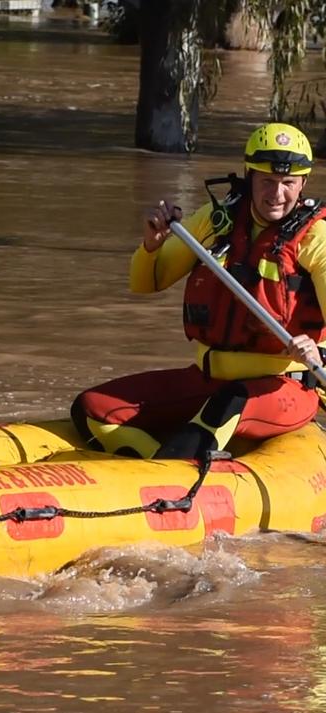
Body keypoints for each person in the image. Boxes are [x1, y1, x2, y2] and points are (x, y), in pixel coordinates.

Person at [71, 123, 326, 460]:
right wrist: (152, 245)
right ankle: (155, 467)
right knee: (92, 408)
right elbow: (147, 283)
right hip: (209, 378)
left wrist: (317, 350)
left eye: (288, 183)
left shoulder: (315, 239)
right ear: (250, 176)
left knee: (225, 406)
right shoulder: (217, 220)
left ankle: (175, 474)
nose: (277, 195)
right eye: (267, 181)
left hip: (283, 388)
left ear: (303, 183)